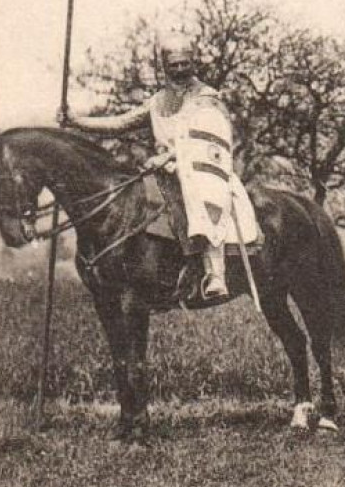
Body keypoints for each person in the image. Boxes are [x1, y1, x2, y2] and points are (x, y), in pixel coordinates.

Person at [58, 32, 259, 302]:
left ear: (193, 63)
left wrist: (169, 157)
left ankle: (215, 273)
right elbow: (119, 123)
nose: (179, 70)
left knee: (199, 200)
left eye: (184, 64)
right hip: (163, 171)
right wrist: (76, 121)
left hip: (200, 171)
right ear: (165, 67)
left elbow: (210, 140)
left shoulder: (207, 98)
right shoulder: (158, 102)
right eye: (173, 65)